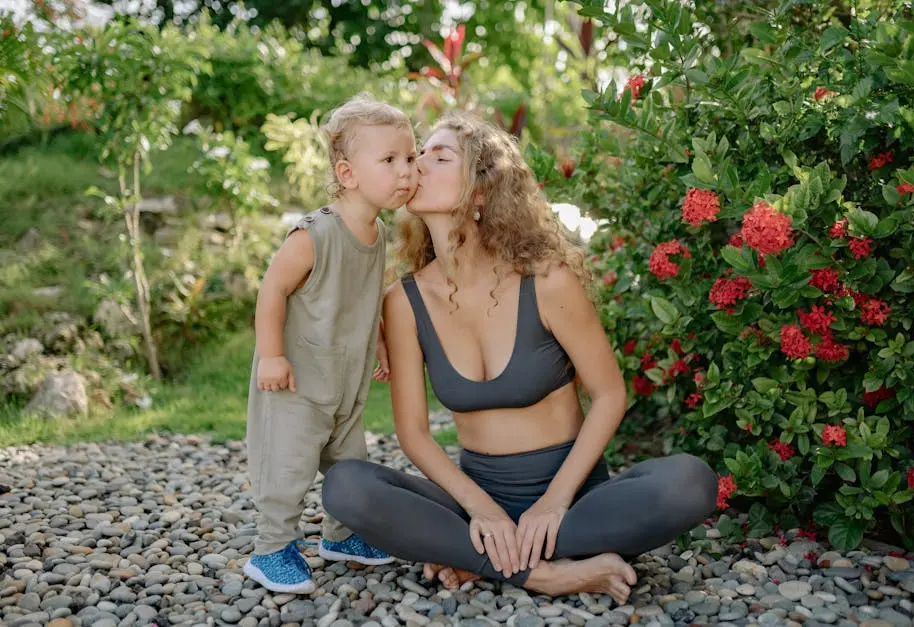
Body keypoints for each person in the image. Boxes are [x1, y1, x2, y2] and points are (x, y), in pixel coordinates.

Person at [322, 111, 718, 605]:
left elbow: (610, 394)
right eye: (416, 154)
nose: (417, 164)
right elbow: (414, 435)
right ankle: (543, 571)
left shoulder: (547, 281)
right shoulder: (403, 302)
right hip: (477, 501)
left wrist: (553, 504)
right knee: (347, 486)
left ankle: (482, 559)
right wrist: (482, 512)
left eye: (438, 156)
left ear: (482, 191)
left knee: (689, 482)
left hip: (573, 501)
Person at [243, 95, 417, 594]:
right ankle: (271, 547)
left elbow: (365, 296)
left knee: (351, 465)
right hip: (297, 380)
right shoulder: (316, 234)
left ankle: (342, 535)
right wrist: (272, 354)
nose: (406, 171)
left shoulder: (377, 233)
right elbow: (272, 290)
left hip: (344, 381)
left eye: (410, 157)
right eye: (389, 160)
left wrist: (381, 342)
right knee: (288, 469)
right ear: (347, 174)